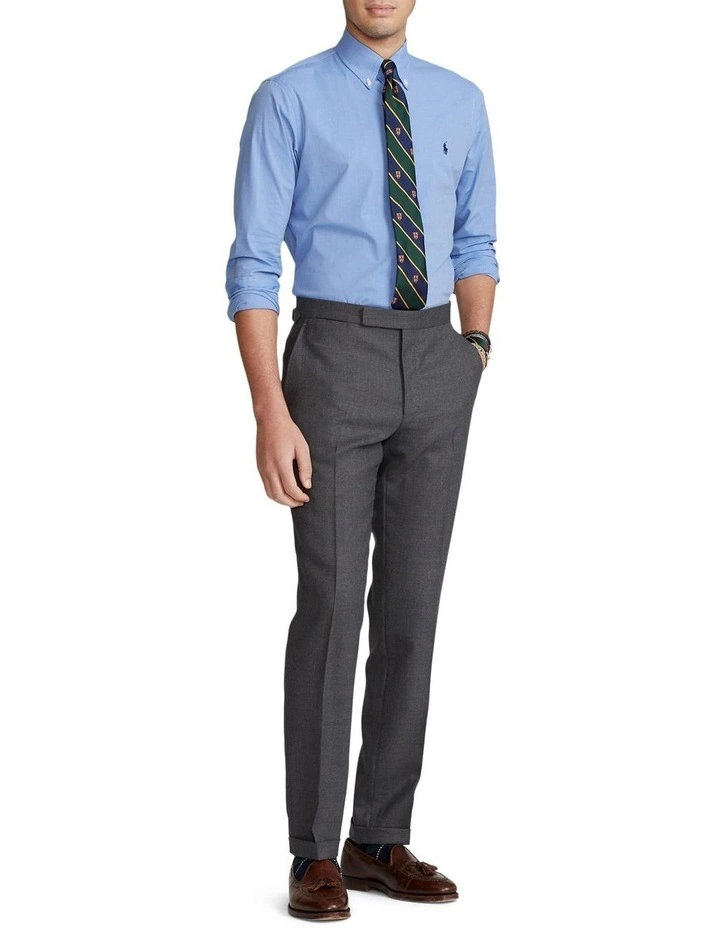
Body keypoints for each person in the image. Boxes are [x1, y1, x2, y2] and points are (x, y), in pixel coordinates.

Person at [225, 0, 499, 919]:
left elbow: (475, 239)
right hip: (333, 359)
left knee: (414, 606)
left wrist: (474, 349)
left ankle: (379, 836)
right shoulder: (288, 98)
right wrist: (270, 409)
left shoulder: (461, 100)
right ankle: (314, 851)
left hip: (437, 357)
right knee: (334, 606)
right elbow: (253, 262)